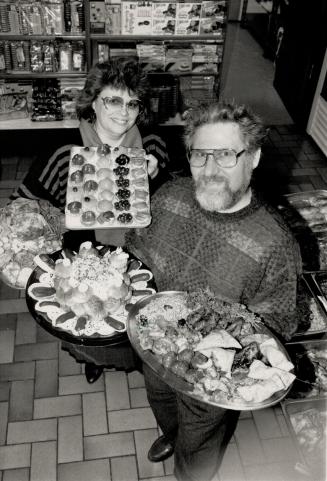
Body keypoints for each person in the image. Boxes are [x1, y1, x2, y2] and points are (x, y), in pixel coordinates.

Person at [125, 100, 302, 481]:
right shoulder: (168, 196)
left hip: (210, 376)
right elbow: (136, 249)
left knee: (199, 440)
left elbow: (278, 323)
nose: (210, 170)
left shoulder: (276, 245)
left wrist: (221, 343)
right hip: (155, 349)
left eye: (225, 155)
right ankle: (171, 434)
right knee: (160, 401)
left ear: (252, 158)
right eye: (200, 155)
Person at [10, 59, 171, 384]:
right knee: (92, 323)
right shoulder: (65, 151)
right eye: (113, 100)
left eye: (132, 103)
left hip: (141, 257)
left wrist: (159, 172)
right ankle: (92, 358)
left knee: (135, 321)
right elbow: (24, 208)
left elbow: (174, 200)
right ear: (93, 101)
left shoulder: (152, 145)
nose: (123, 112)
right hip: (85, 268)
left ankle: (138, 355)